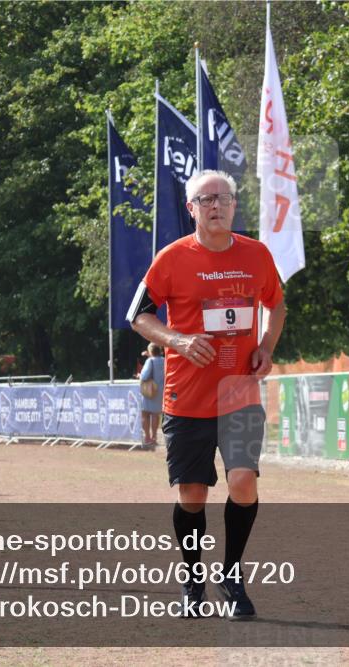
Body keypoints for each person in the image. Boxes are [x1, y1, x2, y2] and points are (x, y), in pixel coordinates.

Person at [128, 169, 286, 620]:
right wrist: (177, 340)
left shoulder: (256, 255)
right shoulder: (172, 258)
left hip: (239, 393)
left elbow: (276, 304)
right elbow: (138, 315)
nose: (216, 205)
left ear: (234, 205)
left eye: (224, 198)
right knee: (192, 497)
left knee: (243, 482)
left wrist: (266, 346)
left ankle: (231, 575)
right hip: (187, 397)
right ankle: (193, 579)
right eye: (206, 199)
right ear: (191, 208)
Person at [139, 343, 165, 447]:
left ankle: (147, 437)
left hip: (149, 390)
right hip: (160, 391)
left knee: (145, 414)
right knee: (155, 414)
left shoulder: (150, 361)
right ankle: (154, 437)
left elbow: (144, 376)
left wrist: (139, 375)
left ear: (150, 351)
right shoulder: (164, 360)